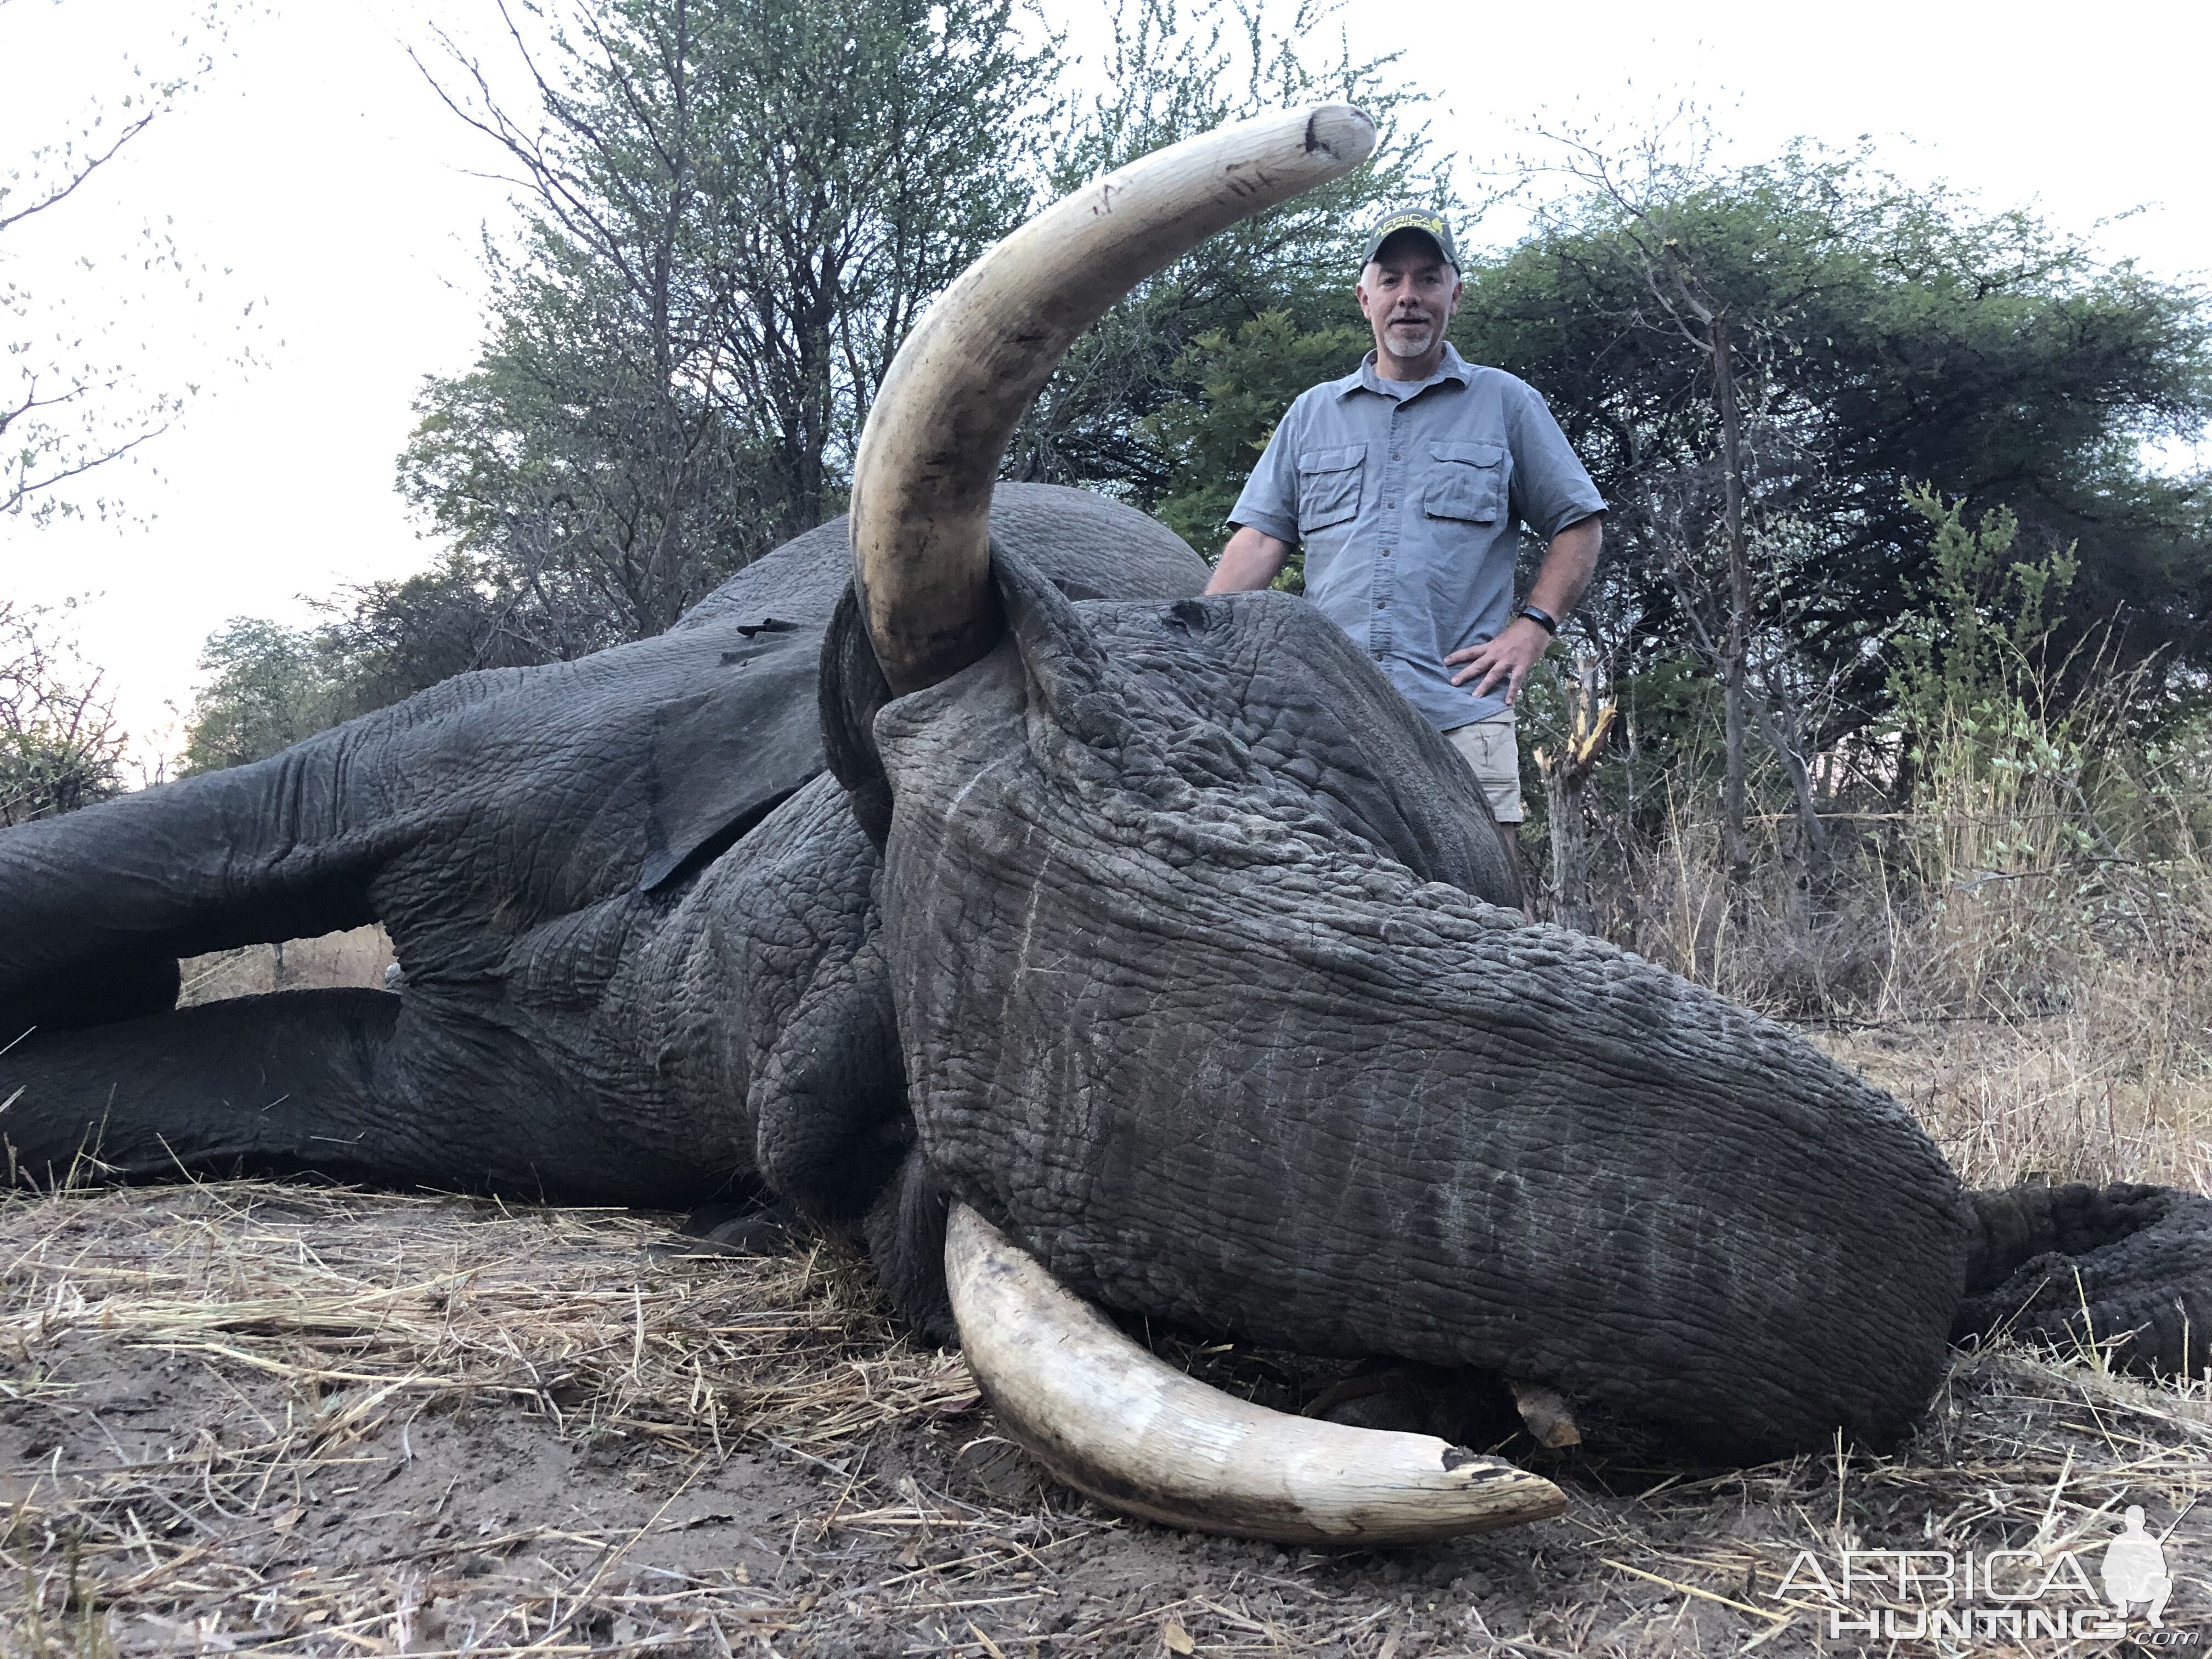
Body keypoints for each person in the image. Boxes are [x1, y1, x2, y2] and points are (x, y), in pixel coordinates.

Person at [1206, 206, 1607, 864]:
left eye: (1427, 278)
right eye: (1390, 280)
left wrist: (1533, 626)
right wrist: (1198, 651)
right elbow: (1258, 544)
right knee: (1325, 898)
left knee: (1491, 912)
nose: (1409, 298)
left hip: (1461, 710)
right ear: (1365, 298)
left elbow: (1579, 523)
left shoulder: (1506, 403)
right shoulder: (1313, 414)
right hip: (1326, 718)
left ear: (1456, 293)